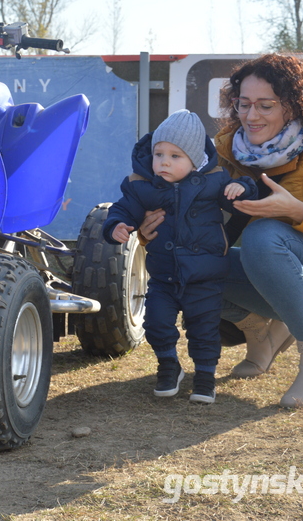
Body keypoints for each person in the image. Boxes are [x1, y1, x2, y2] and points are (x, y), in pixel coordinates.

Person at [139, 54, 303, 408]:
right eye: (243, 104)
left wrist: (299, 212)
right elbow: (182, 211)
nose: (251, 117)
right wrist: (150, 231)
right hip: (268, 273)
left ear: (294, 105)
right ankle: (259, 333)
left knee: (263, 234)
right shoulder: (222, 149)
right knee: (182, 261)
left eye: (265, 106)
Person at [102, 109, 257, 404]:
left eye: (176, 156)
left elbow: (247, 195)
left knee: (204, 329)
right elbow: (123, 208)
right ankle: (169, 365)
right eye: (159, 153)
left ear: (195, 160)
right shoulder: (141, 185)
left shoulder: (213, 182)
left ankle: (205, 376)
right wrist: (116, 225)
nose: (164, 162)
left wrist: (243, 187)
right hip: (163, 276)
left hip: (205, 277)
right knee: (156, 322)